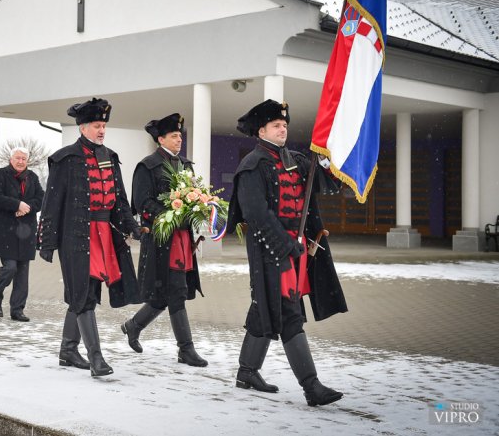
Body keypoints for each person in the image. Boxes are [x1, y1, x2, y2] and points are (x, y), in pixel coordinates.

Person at [227, 99, 347, 407]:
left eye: (285, 125)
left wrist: (323, 160)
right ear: (262, 130)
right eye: (277, 125)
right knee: (288, 313)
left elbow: (328, 184)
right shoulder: (252, 165)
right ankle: (311, 386)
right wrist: (286, 244)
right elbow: (256, 214)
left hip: (296, 250)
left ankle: (247, 371)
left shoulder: (295, 159)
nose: (283, 129)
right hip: (270, 250)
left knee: (265, 307)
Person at [38, 97, 142, 377]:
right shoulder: (65, 159)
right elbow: (51, 202)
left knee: (87, 295)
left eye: (104, 125)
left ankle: (68, 349)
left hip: (104, 235)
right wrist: (47, 241)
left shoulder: (110, 157)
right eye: (96, 125)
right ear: (82, 128)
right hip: (75, 235)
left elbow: (120, 200)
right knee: (82, 295)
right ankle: (96, 358)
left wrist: (133, 227)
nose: (101, 130)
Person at [124, 113, 207, 367]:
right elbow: (141, 203)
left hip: (182, 240)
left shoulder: (186, 165)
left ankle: (132, 326)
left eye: (180, 135)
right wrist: (170, 215)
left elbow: (195, 196)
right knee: (176, 293)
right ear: (160, 139)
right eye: (174, 135)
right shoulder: (147, 165)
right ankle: (186, 349)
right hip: (160, 240)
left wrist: (198, 209)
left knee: (165, 295)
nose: (179, 139)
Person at [0, 146, 45, 322]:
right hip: (6, 230)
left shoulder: (32, 177)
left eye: (23, 159)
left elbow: (41, 198)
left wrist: (26, 209)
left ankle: (17, 310)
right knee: (10, 267)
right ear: (11, 159)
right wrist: (17, 205)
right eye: (17, 158)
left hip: (26, 231)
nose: (21, 161)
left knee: (22, 272)